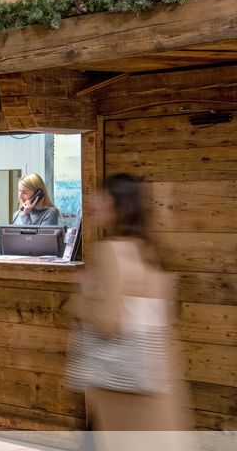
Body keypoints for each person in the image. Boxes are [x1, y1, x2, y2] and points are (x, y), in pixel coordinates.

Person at [66, 174, 191, 448]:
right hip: (153, 380)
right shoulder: (148, 250)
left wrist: (81, 297)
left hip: (122, 385)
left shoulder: (109, 251)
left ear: (115, 205)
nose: (93, 204)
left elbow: (109, 320)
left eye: (100, 198)